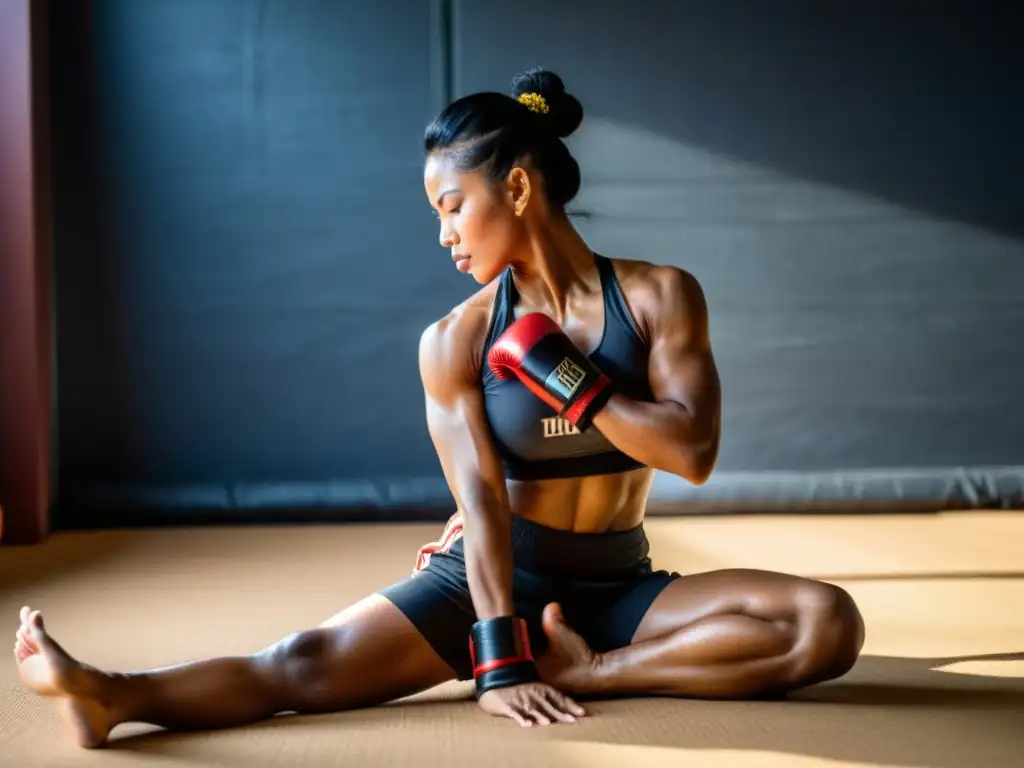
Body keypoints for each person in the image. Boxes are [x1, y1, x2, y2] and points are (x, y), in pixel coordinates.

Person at [13, 68, 865, 748]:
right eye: (438, 215)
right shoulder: (452, 341)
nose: (445, 235)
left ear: (520, 189)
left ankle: (591, 671)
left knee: (824, 623)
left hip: (619, 581)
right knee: (301, 667)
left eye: (453, 206)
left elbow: (692, 453)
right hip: (496, 575)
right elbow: (483, 506)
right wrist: (500, 663)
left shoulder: (658, 296)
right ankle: (108, 694)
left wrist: (569, 376)